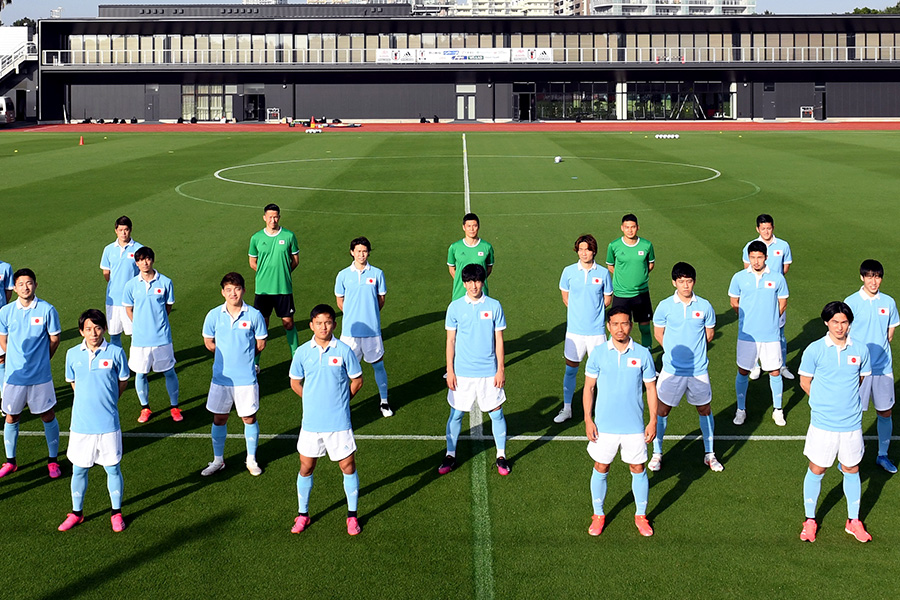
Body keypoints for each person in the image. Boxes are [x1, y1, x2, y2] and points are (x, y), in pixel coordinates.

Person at [798, 301, 872, 543]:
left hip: (851, 424)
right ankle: (810, 520)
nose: (840, 327)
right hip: (823, 424)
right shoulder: (814, 350)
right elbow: (805, 382)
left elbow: (860, 379)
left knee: (852, 469)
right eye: (835, 322)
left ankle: (853, 521)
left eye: (844, 322)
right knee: (817, 469)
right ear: (826, 323)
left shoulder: (860, 350)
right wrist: (823, 403)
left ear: (849, 323)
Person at [288, 304, 364, 536]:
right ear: (311, 325)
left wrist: (341, 401)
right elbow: (295, 382)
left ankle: (352, 516)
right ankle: (303, 514)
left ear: (334, 324)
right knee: (306, 467)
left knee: (347, 466)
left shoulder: (343, 350)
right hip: (311, 424)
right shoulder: (302, 352)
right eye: (319, 323)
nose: (323, 327)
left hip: (339, 423)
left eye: (328, 322)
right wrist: (311, 399)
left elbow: (357, 380)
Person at [583, 306, 658, 537]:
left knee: (637, 468)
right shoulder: (598, 353)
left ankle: (641, 516)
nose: (619, 328)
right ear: (608, 326)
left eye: (624, 323)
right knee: (601, 467)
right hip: (604, 426)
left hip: (634, 427)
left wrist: (653, 420)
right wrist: (588, 418)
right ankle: (598, 514)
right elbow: (589, 387)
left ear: (631, 325)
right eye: (615, 324)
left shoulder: (643, 354)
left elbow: (651, 389)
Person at [58, 309, 131, 532]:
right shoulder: (72, 354)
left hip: (108, 424)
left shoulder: (116, 353)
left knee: (112, 469)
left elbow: (123, 381)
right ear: (81, 331)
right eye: (88, 329)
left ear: (104, 329)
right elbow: (73, 384)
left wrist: (108, 401)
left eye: (98, 328)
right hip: (81, 426)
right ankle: (77, 513)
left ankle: (116, 513)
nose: (94, 333)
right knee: (79, 470)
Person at [650, 262, 721, 472]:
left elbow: (709, 334)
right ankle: (657, 453)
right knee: (662, 410)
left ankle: (710, 454)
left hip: (698, 370)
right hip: (671, 370)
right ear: (674, 282)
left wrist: (695, 353)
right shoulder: (664, 306)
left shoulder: (705, 306)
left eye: (689, 281)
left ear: (694, 282)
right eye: (681, 281)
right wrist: (673, 351)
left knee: (704, 409)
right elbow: (658, 334)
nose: (685, 285)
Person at [440, 264, 510, 476]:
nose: (474, 285)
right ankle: (450, 454)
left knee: (496, 414)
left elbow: (499, 340)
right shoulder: (455, 307)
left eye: (478, 281)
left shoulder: (494, 306)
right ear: (463, 283)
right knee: (456, 414)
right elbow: (450, 340)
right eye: (470, 281)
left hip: (489, 372)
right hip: (462, 372)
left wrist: (501, 369)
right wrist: (450, 371)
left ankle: (501, 455)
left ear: (483, 281)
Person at [200, 272, 268, 477]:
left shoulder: (254, 315)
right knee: (219, 419)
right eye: (228, 289)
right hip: (221, 378)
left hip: (246, 379)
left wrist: (243, 359)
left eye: (237, 289)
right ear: (223, 292)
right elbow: (209, 342)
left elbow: (261, 343)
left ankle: (251, 459)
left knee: (248, 418)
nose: (233, 293)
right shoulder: (213, 315)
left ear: (243, 290)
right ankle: (218, 460)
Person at [0, 268, 62, 479]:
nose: (25, 287)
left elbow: (54, 339)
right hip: (14, 378)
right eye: (21, 284)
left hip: (40, 377)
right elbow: (3, 339)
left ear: (35, 284)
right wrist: (15, 358)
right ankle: (10, 461)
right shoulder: (6, 312)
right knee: (11, 416)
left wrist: (43, 361)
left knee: (47, 415)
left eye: (29, 283)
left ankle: (53, 461)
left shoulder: (47, 310)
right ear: (15, 288)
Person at [844, 259, 899, 474]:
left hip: (883, 368)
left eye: (877, 276)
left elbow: (890, 334)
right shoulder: (851, 302)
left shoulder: (889, 302)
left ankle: (882, 455)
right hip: (859, 369)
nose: (873, 281)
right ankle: (849, 457)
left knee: (885, 412)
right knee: (854, 413)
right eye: (869, 276)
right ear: (862, 277)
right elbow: (843, 334)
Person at [728, 240, 789, 427]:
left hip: (771, 335)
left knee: (775, 371)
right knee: (743, 371)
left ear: (766, 258)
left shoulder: (778, 278)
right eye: (752, 257)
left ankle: (778, 410)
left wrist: (769, 320)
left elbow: (783, 303)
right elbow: (734, 302)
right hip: (747, 335)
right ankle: (741, 409)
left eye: (759, 257)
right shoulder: (739, 277)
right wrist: (750, 320)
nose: (755, 261)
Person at [554, 234, 612, 424]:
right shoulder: (569, 271)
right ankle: (567, 408)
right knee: (571, 371)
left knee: (602, 373)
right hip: (575, 332)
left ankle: (603, 409)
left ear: (594, 250)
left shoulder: (603, 273)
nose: (583, 253)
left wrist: (592, 313)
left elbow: (607, 299)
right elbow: (565, 297)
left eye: (587, 249)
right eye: (580, 249)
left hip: (596, 332)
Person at [335, 236, 392, 418]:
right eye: (358, 251)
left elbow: (380, 300)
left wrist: (370, 313)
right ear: (352, 252)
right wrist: (353, 314)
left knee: (378, 365)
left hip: (372, 331)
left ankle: (384, 402)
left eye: (365, 251)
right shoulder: (343, 275)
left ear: (368, 252)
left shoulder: (377, 274)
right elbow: (340, 301)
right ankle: (341, 403)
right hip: (350, 333)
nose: (361, 254)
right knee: (344, 370)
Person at [122, 246, 181, 423]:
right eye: (140, 260)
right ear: (137, 262)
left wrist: (157, 322)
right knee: (140, 374)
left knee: (169, 371)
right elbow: (128, 309)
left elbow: (167, 307)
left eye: (147, 259)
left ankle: (175, 407)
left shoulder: (165, 282)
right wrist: (140, 325)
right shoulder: (131, 285)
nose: (144, 263)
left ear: (152, 260)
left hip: (162, 338)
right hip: (140, 339)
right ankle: (145, 408)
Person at [742, 214, 793, 380]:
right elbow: (747, 271)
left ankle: (782, 365)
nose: (766, 231)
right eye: (763, 228)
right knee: (755, 334)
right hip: (757, 298)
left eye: (769, 228)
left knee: (780, 333)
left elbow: (785, 267)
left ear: (773, 227)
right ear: (757, 229)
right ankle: (755, 365)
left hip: (777, 295)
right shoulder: (750, 247)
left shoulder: (783, 245)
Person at [248, 203, 300, 362]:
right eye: (270, 217)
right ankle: (255, 363)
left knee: (288, 323)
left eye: (276, 216)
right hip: (263, 290)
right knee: (262, 326)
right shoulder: (256, 238)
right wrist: (266, 274)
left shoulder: (289, 236)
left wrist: (282, 273)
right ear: (264, 218)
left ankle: (296, 359)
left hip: (283, 288)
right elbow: (252, 262)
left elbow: (295, 261)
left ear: (279, 217)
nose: (273, 220)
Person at [606, 214, 655, 348]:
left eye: (633, 227)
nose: (630, 230)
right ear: (622, 228)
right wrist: (624, 277)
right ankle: (611, 356)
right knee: (616, 328)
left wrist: (640, 276)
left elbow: (650, 264)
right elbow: (611, 266)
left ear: (637, 227)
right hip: (621, 294)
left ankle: (648, 356)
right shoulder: (614, 245)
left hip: (641, 293)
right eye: (627, 227)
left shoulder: (646, 245)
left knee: (645, 328)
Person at [100, 216, 142, 348]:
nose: (123, 233)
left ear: (131, 230)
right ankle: (118, 364)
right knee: (114, 335)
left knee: (135, 334)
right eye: (121, 230)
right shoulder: (108, 249)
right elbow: (106, 273)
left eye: (126, 230)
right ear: (115, 231)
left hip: (132, 300)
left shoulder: (138, 249)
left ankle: (138, 364)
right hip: (113, 300)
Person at [447, 212, 494, 301]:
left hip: (481, 294)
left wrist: (477, 281)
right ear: (463, 227)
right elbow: (452, 269)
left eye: (474, 226)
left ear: (478, 227)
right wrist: (466, 282)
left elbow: (489, 268)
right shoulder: (454, 247)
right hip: (459, 293)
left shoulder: (487, 247)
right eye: (469, 226)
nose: (472, 229)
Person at [0, 257, 13, 396]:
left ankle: (5, 395)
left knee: (1, 358)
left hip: (0, 318)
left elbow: (7, 292)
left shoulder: (5, 267)